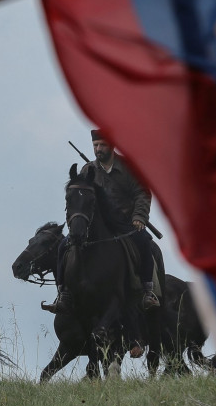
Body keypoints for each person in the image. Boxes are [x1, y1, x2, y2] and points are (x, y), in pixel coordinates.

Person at [52, 129, 160, 312]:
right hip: (98, 223)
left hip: (126, 223)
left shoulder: (128, 167)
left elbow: (142, 193)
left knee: (144, 243)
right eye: (96, 145)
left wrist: (139, 217)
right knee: (63, 246)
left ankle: (147, 291)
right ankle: (63, 293)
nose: (99, 149)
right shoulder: (88, 170)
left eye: (103, 145)